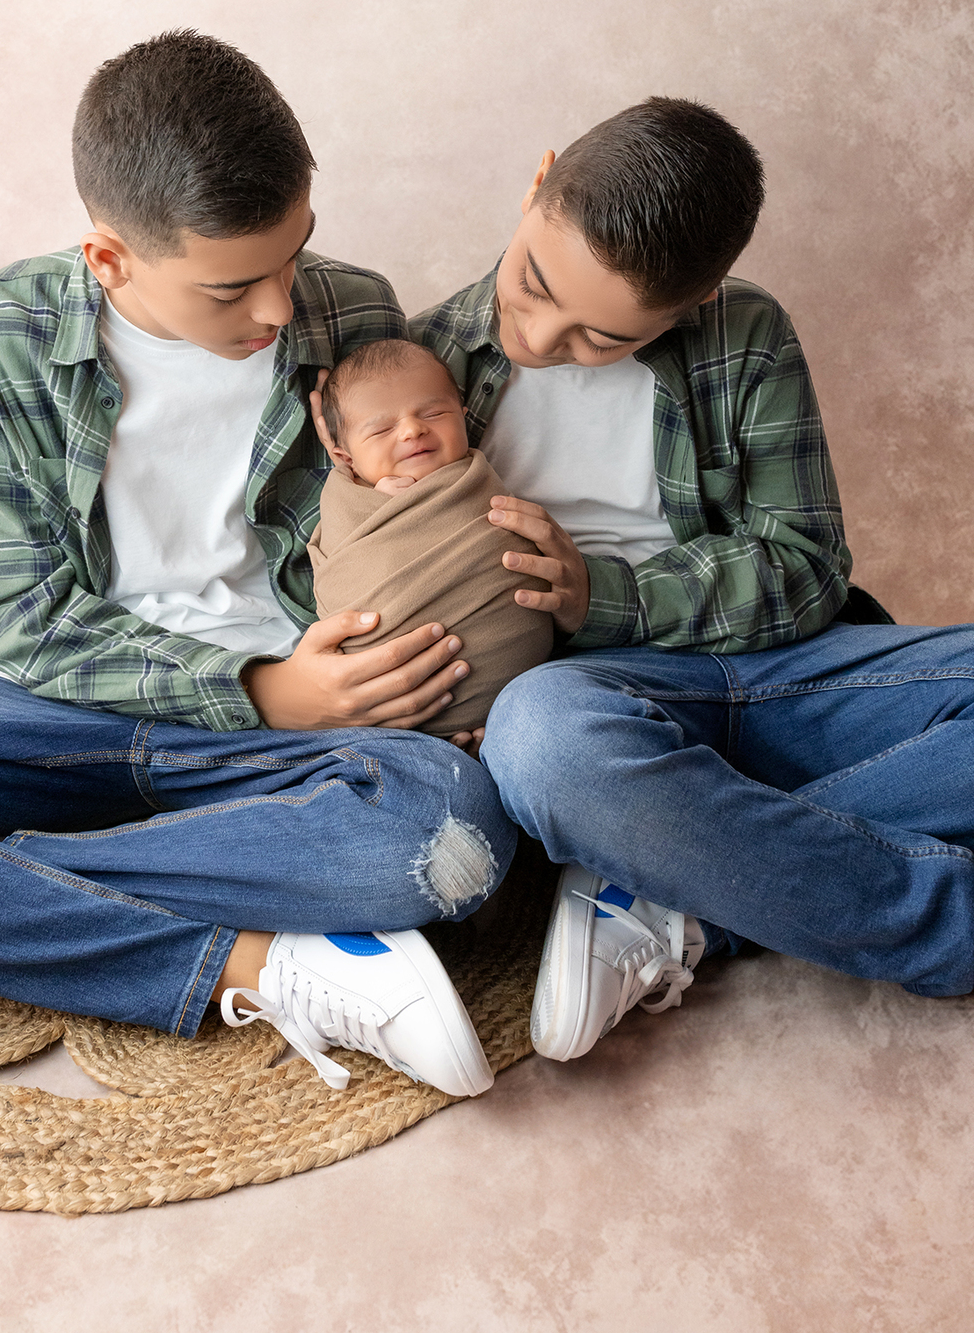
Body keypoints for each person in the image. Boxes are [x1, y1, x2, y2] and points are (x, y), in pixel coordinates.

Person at [0, 31, 517, 1099]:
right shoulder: (5, 331)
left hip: (294, 744)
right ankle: (257, 962)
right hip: (71, 706)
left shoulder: (353, 311)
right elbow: (22, 616)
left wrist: (430, 676)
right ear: (109, 259)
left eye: (294, 254)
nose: (278, 307)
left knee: (451, 835)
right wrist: (257, 691)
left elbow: (400, 543)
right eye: (231, 288)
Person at [410, 96, 974, 1065]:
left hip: (782, 675)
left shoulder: (745, 334)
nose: (543, 339)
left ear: (696, 302)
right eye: (534, 283)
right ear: (538, 180)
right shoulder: (417, 373)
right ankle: (937, 923)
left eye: (604, 338)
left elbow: (804, 569)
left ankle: (688, 893)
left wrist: (607, 595)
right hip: (587, 705)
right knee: (543, 742)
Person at [308, 338, 552, 735]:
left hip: (523, 691)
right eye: (382, 428)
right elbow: (340, 578)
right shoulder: (347, 500)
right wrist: (378, 505)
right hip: (391, 707)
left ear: (463, 417)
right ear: (346, 458)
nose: (411, 430)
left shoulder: (474, 481)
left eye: (434, 413)